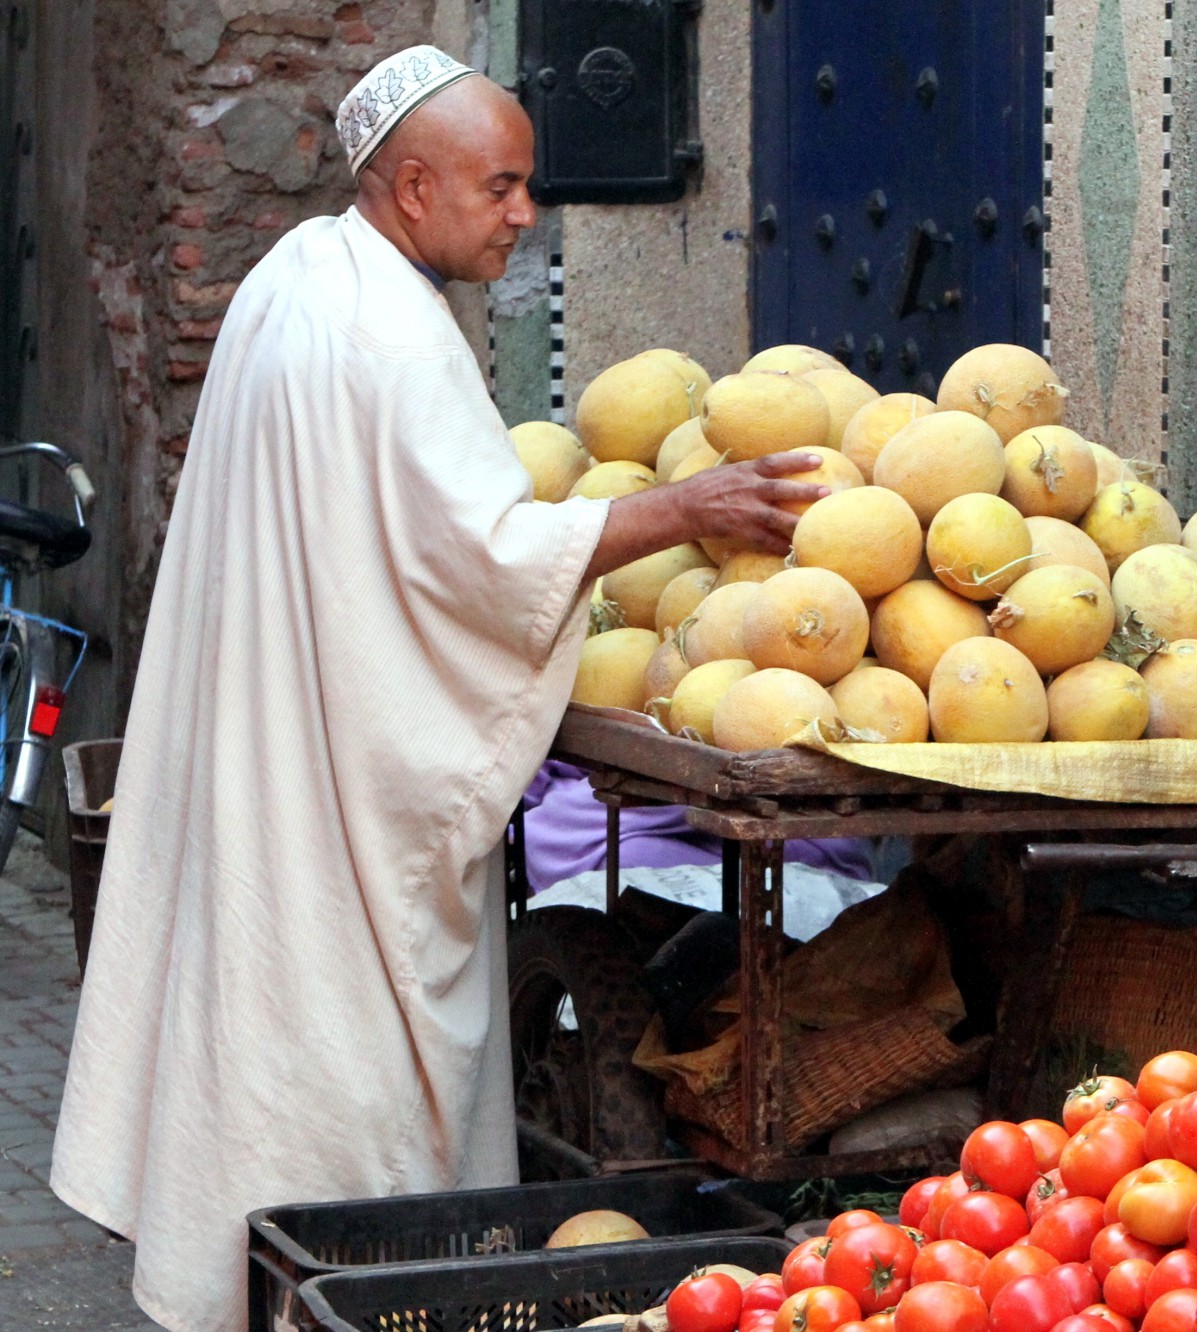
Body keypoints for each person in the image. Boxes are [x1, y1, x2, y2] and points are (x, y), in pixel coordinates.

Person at [49, 47, 828, 1332]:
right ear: (412, 185)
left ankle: (249, 1282)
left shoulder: (297, 273)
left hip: (285, 743)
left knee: (263, 1023)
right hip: (339, 782)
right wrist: (677, 508)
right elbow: (484, 559)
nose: (524, 215)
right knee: (341, 1056)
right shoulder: (392, 332)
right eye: (502, 186)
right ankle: (355, 1286)